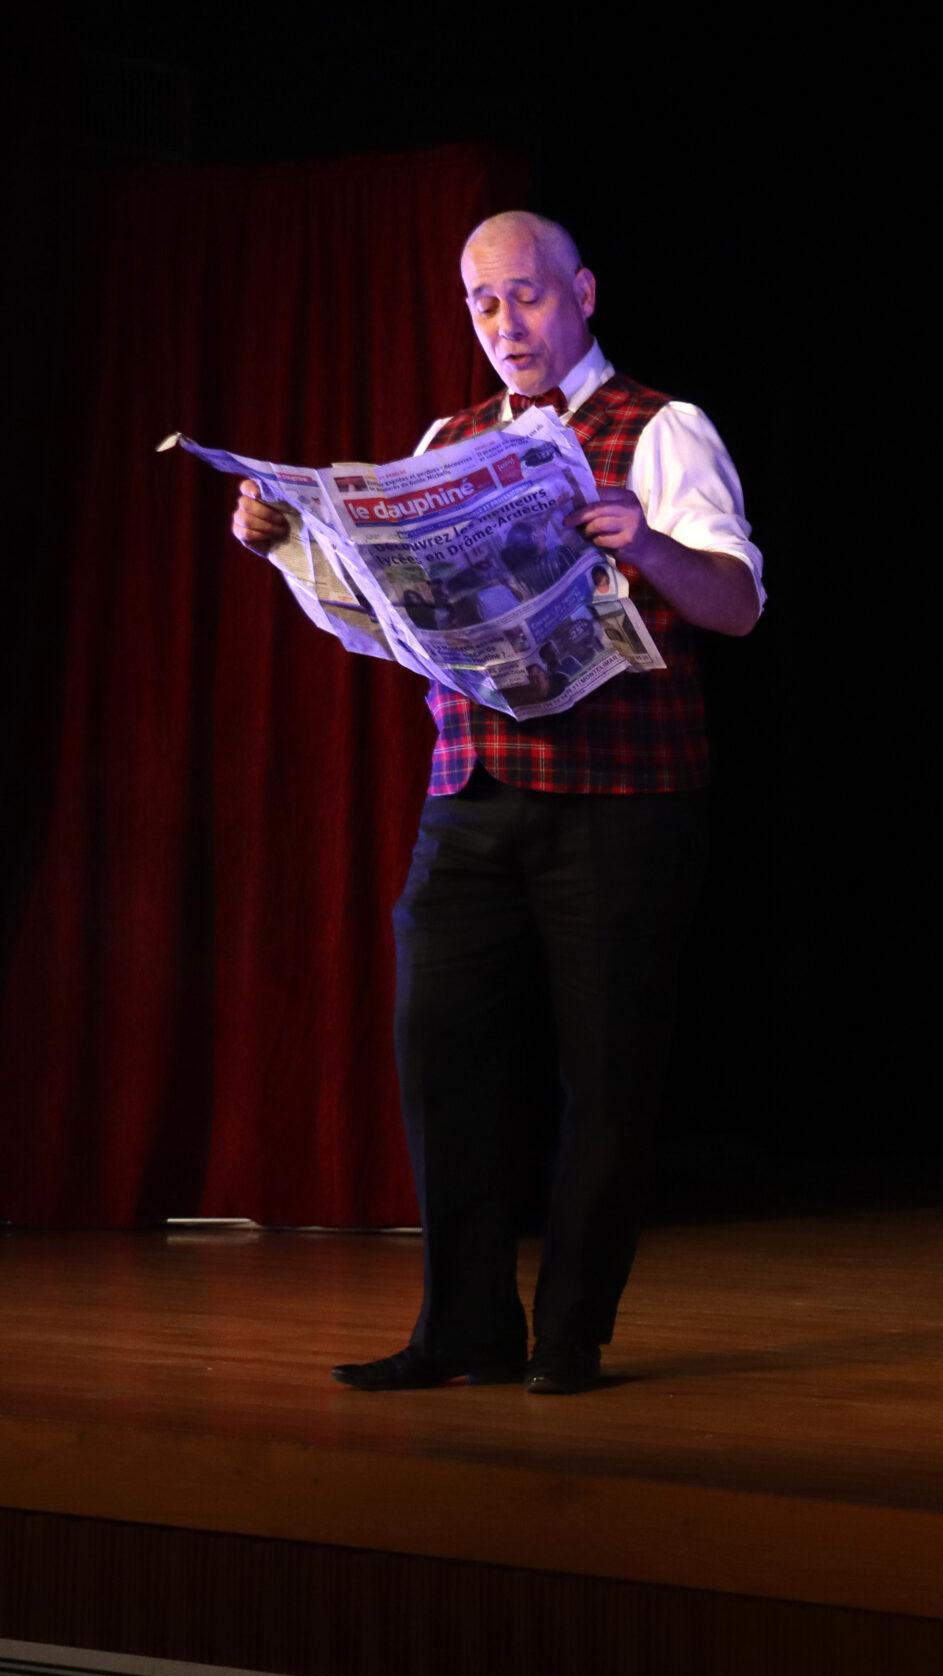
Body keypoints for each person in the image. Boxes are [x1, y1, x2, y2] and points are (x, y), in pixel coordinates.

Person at [231, 211, 764, 1394]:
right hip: (470, 787)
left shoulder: (661, 427)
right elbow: (397, 626)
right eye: (482, 305)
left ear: (580, 291)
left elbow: (733, 605)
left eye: (525, 297)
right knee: (445, 1058)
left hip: (622, 797)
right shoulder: (451, 436)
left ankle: (570, 1331)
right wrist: (289, 550)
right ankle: (464, 1326)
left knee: (607, 1072)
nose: (505, 325)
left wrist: (648, 547)